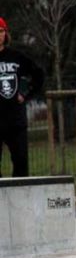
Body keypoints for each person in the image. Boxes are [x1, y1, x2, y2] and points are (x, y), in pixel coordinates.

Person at [0, 17, 45, 177]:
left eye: (1, 31)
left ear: (6, 34)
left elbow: (38, 75)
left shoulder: (16, 57)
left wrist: (26, 94)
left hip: (15, 120)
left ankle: (20, 199)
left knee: (20, 162)